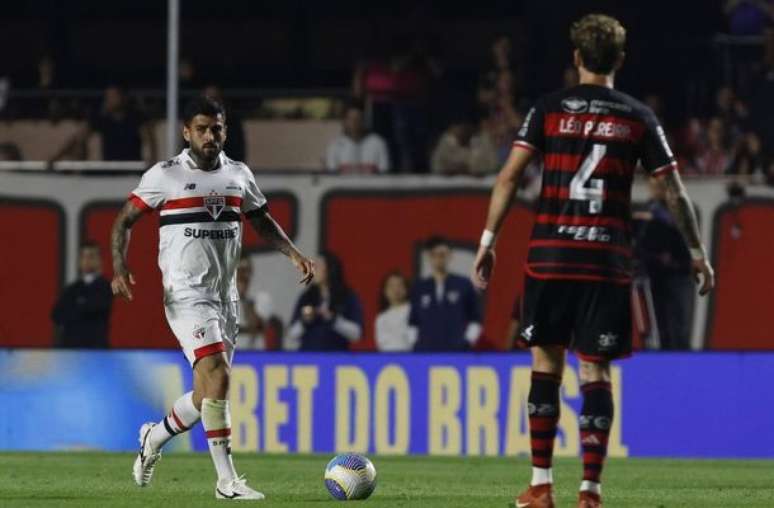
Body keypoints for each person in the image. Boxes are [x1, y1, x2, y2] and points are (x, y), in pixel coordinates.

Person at [470, 14, 714, 508]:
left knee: (545, 363)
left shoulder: (548, 110)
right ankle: (590, 492)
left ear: (576, 58)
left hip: (550, 258)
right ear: (620, 60)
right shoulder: (637, 116)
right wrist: (696, 251)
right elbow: (672, 190)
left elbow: (509, 178)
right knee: (595, 372)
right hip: (605, 260)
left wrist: (487, 239)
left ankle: (540, 486)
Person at [110, 96, 314, 500]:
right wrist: (119, 265)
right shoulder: (165, 175)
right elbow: (124, 219)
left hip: (225, 298)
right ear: (186, 132)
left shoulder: (238, 175)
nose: (209, 135)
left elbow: (261, 219)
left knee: (207, 395)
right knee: (219, 376)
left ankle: (154, 436)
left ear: (225, 131)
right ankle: (226, 482)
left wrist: (292, 252)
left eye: (216, 128)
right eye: (201, 128)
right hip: (185, 295)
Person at [634, 178, 695, 350]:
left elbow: (685, 233)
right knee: (659, 323)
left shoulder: (679, 207)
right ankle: (663, 357)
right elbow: (641, 241)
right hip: (656, 275)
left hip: (679, 274)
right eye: (653, 187)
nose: (656, 191)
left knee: (680, 324)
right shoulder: (648, 210)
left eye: (660, 187)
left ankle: (682, 360)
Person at [50, 85, 157, 163]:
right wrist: (56, 157)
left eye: (113, 96)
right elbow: (77, 138)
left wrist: (152, 160)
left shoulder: (136, 117)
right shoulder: (102, 119)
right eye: (107, 96)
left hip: (131, 172)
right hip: (109, 172)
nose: (109, 99)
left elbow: (149, 139)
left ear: (123, 97)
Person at [409, 237, 482, 351]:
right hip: (425, 350)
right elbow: (413, 321)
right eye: (434, 255)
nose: (438, 258)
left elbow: (475, 319)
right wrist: (415, 344)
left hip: (456, 351)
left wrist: (467, 341)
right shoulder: (419, 287)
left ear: (450, 255)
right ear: (429, 257)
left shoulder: (463, 284)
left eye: (442, 254)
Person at [285, 252, 363, 351]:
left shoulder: (347, 296)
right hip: (308, 358)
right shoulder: (306, 297)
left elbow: (356, 334)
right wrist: (305, 321)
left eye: (317, 266)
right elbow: (291, 334)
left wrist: (333, 319)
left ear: (330, 269)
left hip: (337, 359)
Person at [51, 242, 113, 348]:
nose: (87, 260)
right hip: (70, 349)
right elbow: (57, 315)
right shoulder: (72, 289)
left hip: (95, 349)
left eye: (91, 256)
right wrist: (81, 305)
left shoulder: (105, 287)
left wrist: (75, 307)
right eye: (83, 256)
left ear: (99, 261)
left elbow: (96, 307)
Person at [325, 103, 390, 174]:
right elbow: (332, 175)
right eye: (350, 119)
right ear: (345, 122)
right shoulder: (335, 145)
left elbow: (384, 174)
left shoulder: (378, 142)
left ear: (364, 121)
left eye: (358, 119)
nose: (354, 122)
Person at [235, 255, 276, 350]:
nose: (241, 274)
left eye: (245, 270)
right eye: (238, 269)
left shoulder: (261, 296)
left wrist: (245, 299)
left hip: (254, 350)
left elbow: (260, 323)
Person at [202, 85, 246, 163]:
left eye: (213, 99)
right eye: (206, 99)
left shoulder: (231, 123)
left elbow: (237, 152)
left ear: (220, 101)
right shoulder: (193, 123)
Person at [375, 272, 412, 352]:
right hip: (388, 360)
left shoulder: (413, 311)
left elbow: (413, 339)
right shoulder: (381, 318)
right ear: (385, 291)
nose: (396, 289)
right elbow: (381, 344)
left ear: (406, 289)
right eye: (391, 286)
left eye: (399, 285)